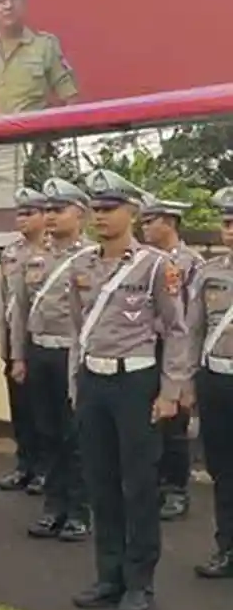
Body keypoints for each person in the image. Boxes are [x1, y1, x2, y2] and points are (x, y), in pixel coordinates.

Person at [66, 169, 188, 610]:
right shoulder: (81, 265)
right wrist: (75, 384)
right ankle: (109, 575)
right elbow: (79, 332)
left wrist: (170, 390)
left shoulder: (156, 265)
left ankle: (140, 583)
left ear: (132, 212)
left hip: (136, 384)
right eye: (95, 209)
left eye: (109, 208)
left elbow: (176, 330)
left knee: (138, 485)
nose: (100, 216)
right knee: (100, 483)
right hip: (95, 381)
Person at [10, 178, 93, 543]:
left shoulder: (92, 259)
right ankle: (52, 507)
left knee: (74, 437)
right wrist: (19, 356)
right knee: (46, 433)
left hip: (72, 356)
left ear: (81, 214)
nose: (51, 217)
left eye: (59, 210)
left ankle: (78, 511)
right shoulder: (33, 259)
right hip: (39, 352)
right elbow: (20, 313)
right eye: (48, 210)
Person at [140, 196, 204, 522]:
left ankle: (176, 490)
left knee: (175, 421)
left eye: (151, 221)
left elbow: (192, 318)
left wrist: (187, 369)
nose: (145, 227)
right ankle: (153, 484)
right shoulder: (142, 259)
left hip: (174, 346)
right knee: (149, 419)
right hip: (145, 346)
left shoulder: (191, 262)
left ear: (169, 222)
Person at [188, 186, 233, 579]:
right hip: (217, 380)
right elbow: (193, 330)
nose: (230, 230)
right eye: (226, 222)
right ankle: (227, 548)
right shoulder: (209, 274)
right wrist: (187, 381)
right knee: (223, 469)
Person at [0, 188, 49, 494]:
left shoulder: (52, 252)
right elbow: (6, 297)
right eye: (20, 213)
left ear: (45, 216)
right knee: (19, 405)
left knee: (43, 408)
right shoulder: (11, 252)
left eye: (29, 213)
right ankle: (25, 464)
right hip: (13, 335)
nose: (23, 219)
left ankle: (45, 468)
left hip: (41, 336)